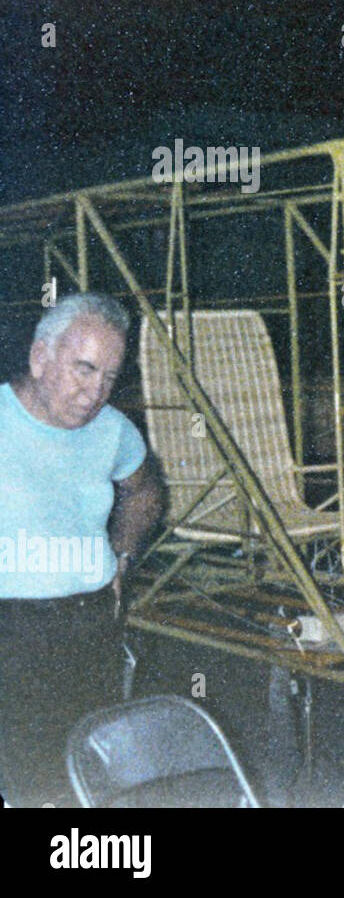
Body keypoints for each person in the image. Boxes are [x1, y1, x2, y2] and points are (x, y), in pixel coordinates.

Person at [0, 292, 163, 806]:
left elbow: (145, 491)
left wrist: (122, 554)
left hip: (89, 625)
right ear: (39, 357)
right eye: (84, 369)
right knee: (28, 784)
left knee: (92, 781)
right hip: (10, 631)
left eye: (109, 378)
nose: (95, 392)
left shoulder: (113, 432)